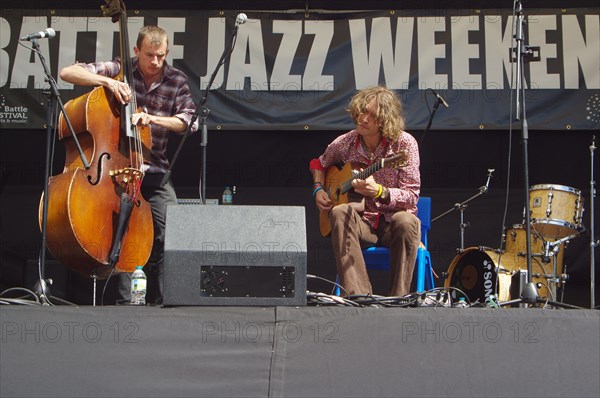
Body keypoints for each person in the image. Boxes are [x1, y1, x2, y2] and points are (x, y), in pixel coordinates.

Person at [59, 25, 197, 304]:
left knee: (172, 232)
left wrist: (153, 119)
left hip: (155, 170)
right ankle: (126, 304)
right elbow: (67, 72)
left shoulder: (177, 80)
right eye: (149, 55)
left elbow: (189, 121)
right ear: (136, 51)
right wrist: (108, 82)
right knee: (119, 231)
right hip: (116, 170)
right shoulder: (119, 69)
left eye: (160, 55)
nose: (155, 62)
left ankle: (164, 301)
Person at [309, 86, 421, 297]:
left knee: (407, 221)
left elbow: (412, 196)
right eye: (361, 111)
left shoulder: (405, 145)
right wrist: (318, 189)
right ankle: (359, 298)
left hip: (391, 225)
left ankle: (397, 300)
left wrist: (379, 191)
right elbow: (318, 163)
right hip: (362, 224)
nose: (363, 118)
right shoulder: (345, 142)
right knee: (339, 212)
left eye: (372, 115)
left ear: (385, 119)